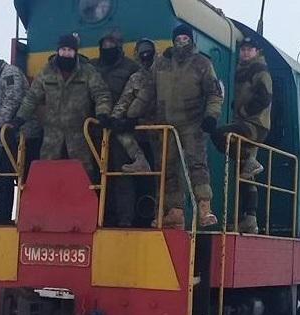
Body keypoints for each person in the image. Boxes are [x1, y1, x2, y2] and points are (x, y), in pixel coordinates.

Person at [11, 33, 113, 181]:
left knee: (83, 177)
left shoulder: (87, 71)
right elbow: (31, 98)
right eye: (63, 49)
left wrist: (102, 113)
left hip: (80, 136)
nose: (66, 53)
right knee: (48, 176)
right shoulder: (46, 72)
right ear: (58, 50)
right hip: (52, 138)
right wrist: (19, 119)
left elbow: (101, 93)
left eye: (70, 50)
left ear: (75, 52)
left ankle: (83, 203)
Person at [152, 23, 223, 229]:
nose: (181, 42)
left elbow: (214, 93)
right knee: (168, 168)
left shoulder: (202, 63)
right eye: (178, 39)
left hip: (193, 124)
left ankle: (204, 209)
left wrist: (211, 116)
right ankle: (175, 212)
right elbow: (150, 90)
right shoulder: (162, 63)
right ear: (173, 41)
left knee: (197, 166)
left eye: (185, 39)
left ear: (191, 40)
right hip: (166, 124)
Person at [213, 36, 272, 234]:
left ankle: (249, 160)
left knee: (220, 134)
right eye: (243, 49)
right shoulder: (241, 70)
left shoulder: (259, 71)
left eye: (250, 49)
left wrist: (244, 111)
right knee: (244, 173)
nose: (246, 52)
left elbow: (264, 98)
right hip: (246, 123)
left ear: (257, 52)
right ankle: (249, 219)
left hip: (255, 125)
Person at [0, 51, 40, 223]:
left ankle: (24, 215)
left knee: (22, 177)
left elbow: (12, 99)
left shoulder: (9, 73)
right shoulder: (2, 78)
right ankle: (2, 215)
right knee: (7, 175)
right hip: (12, 136)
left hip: (25, 135)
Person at [91, 30, 140, 227]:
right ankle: (95, 216)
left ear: (119, 47)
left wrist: (129, 120)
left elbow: (138, 95)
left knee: (121, 174)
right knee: (94, 174)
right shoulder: (91, 67)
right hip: (94, 130)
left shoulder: (131, 68)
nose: (107, 48)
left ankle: (124, 219)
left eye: (112, 44)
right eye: (105, 44)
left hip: (121, 130)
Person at [111, 38, 157, 176]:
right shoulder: (136, 78)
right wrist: (114, 119)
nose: (145, 56)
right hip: (144, 125)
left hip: (165, 123)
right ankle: (139, 160)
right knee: (120, 131)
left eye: (148, 52)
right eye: (142, 52)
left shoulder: (165, 74)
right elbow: (125, 100)